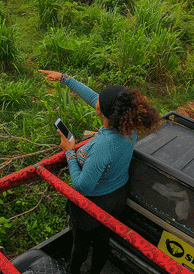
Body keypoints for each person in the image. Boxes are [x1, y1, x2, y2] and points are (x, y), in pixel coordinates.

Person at [38, 69, 161, 274]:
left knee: (81, 243)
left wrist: (70, 152)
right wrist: (65, 79)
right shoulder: (128, 126)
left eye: (100, 102)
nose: (96, 100)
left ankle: (73, 270)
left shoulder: (104, 145)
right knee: (104, 237)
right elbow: (95, 98)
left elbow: (83, 187)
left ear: (102, 112)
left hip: (93, 204)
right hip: (117, 197)